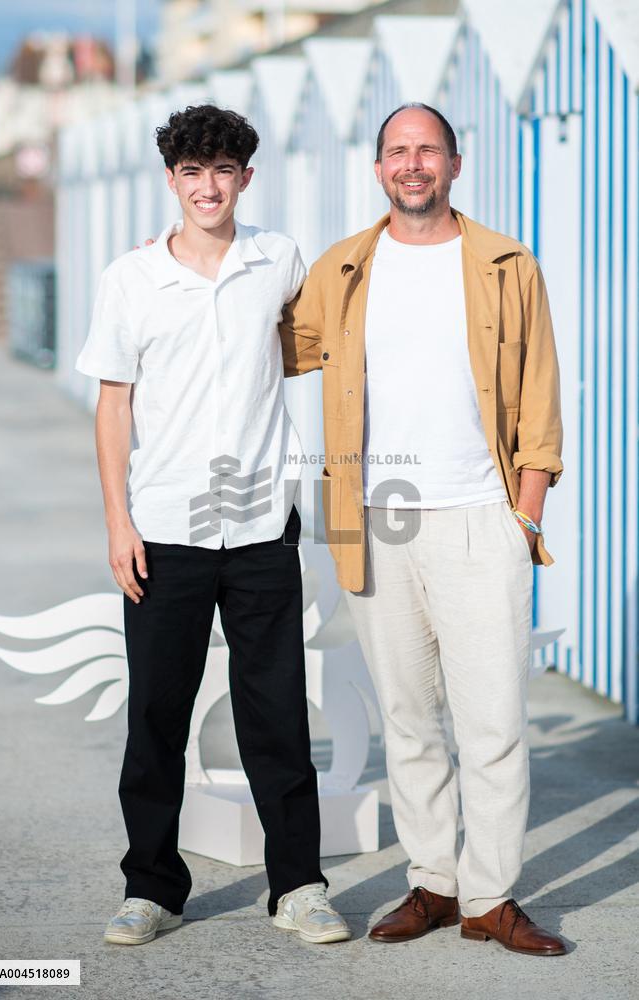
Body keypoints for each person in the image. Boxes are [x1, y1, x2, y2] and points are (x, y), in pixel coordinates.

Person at [279, 103, 567, 956]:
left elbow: (542, 396)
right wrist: (193, 261)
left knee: (493, 722)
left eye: (428, 150)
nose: (413, 164)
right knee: (407, 717)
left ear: (454, 163)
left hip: (482, 518)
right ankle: (433, 884)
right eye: (398, 151)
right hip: (376, 521)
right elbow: (263, 344)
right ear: (378, 170)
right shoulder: (342, 269)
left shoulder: (508, 263)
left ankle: (490, 897)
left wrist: (525, 514)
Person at [75, 104, 350, 947]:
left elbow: (324, 347)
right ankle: (152, 887)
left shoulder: (279, 259)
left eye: (223, 170)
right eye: (192, 172)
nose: (208, 187)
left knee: (276, 714)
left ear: (246, 177)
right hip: (164, 527)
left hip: (263, 523)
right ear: (171, 181)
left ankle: (298, 884)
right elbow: (113, 404)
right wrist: (119, 521)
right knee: (157, 713)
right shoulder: (132, 279)